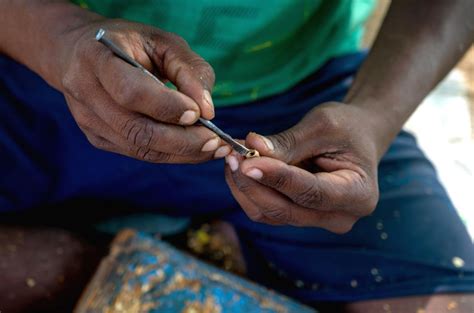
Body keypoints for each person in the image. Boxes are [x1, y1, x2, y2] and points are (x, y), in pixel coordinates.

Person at [0, 0, 473, 312]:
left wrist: (372, 119)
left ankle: (142, 259)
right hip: (36, 63)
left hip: (305, 101)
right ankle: (131, 260)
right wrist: (62, 39)